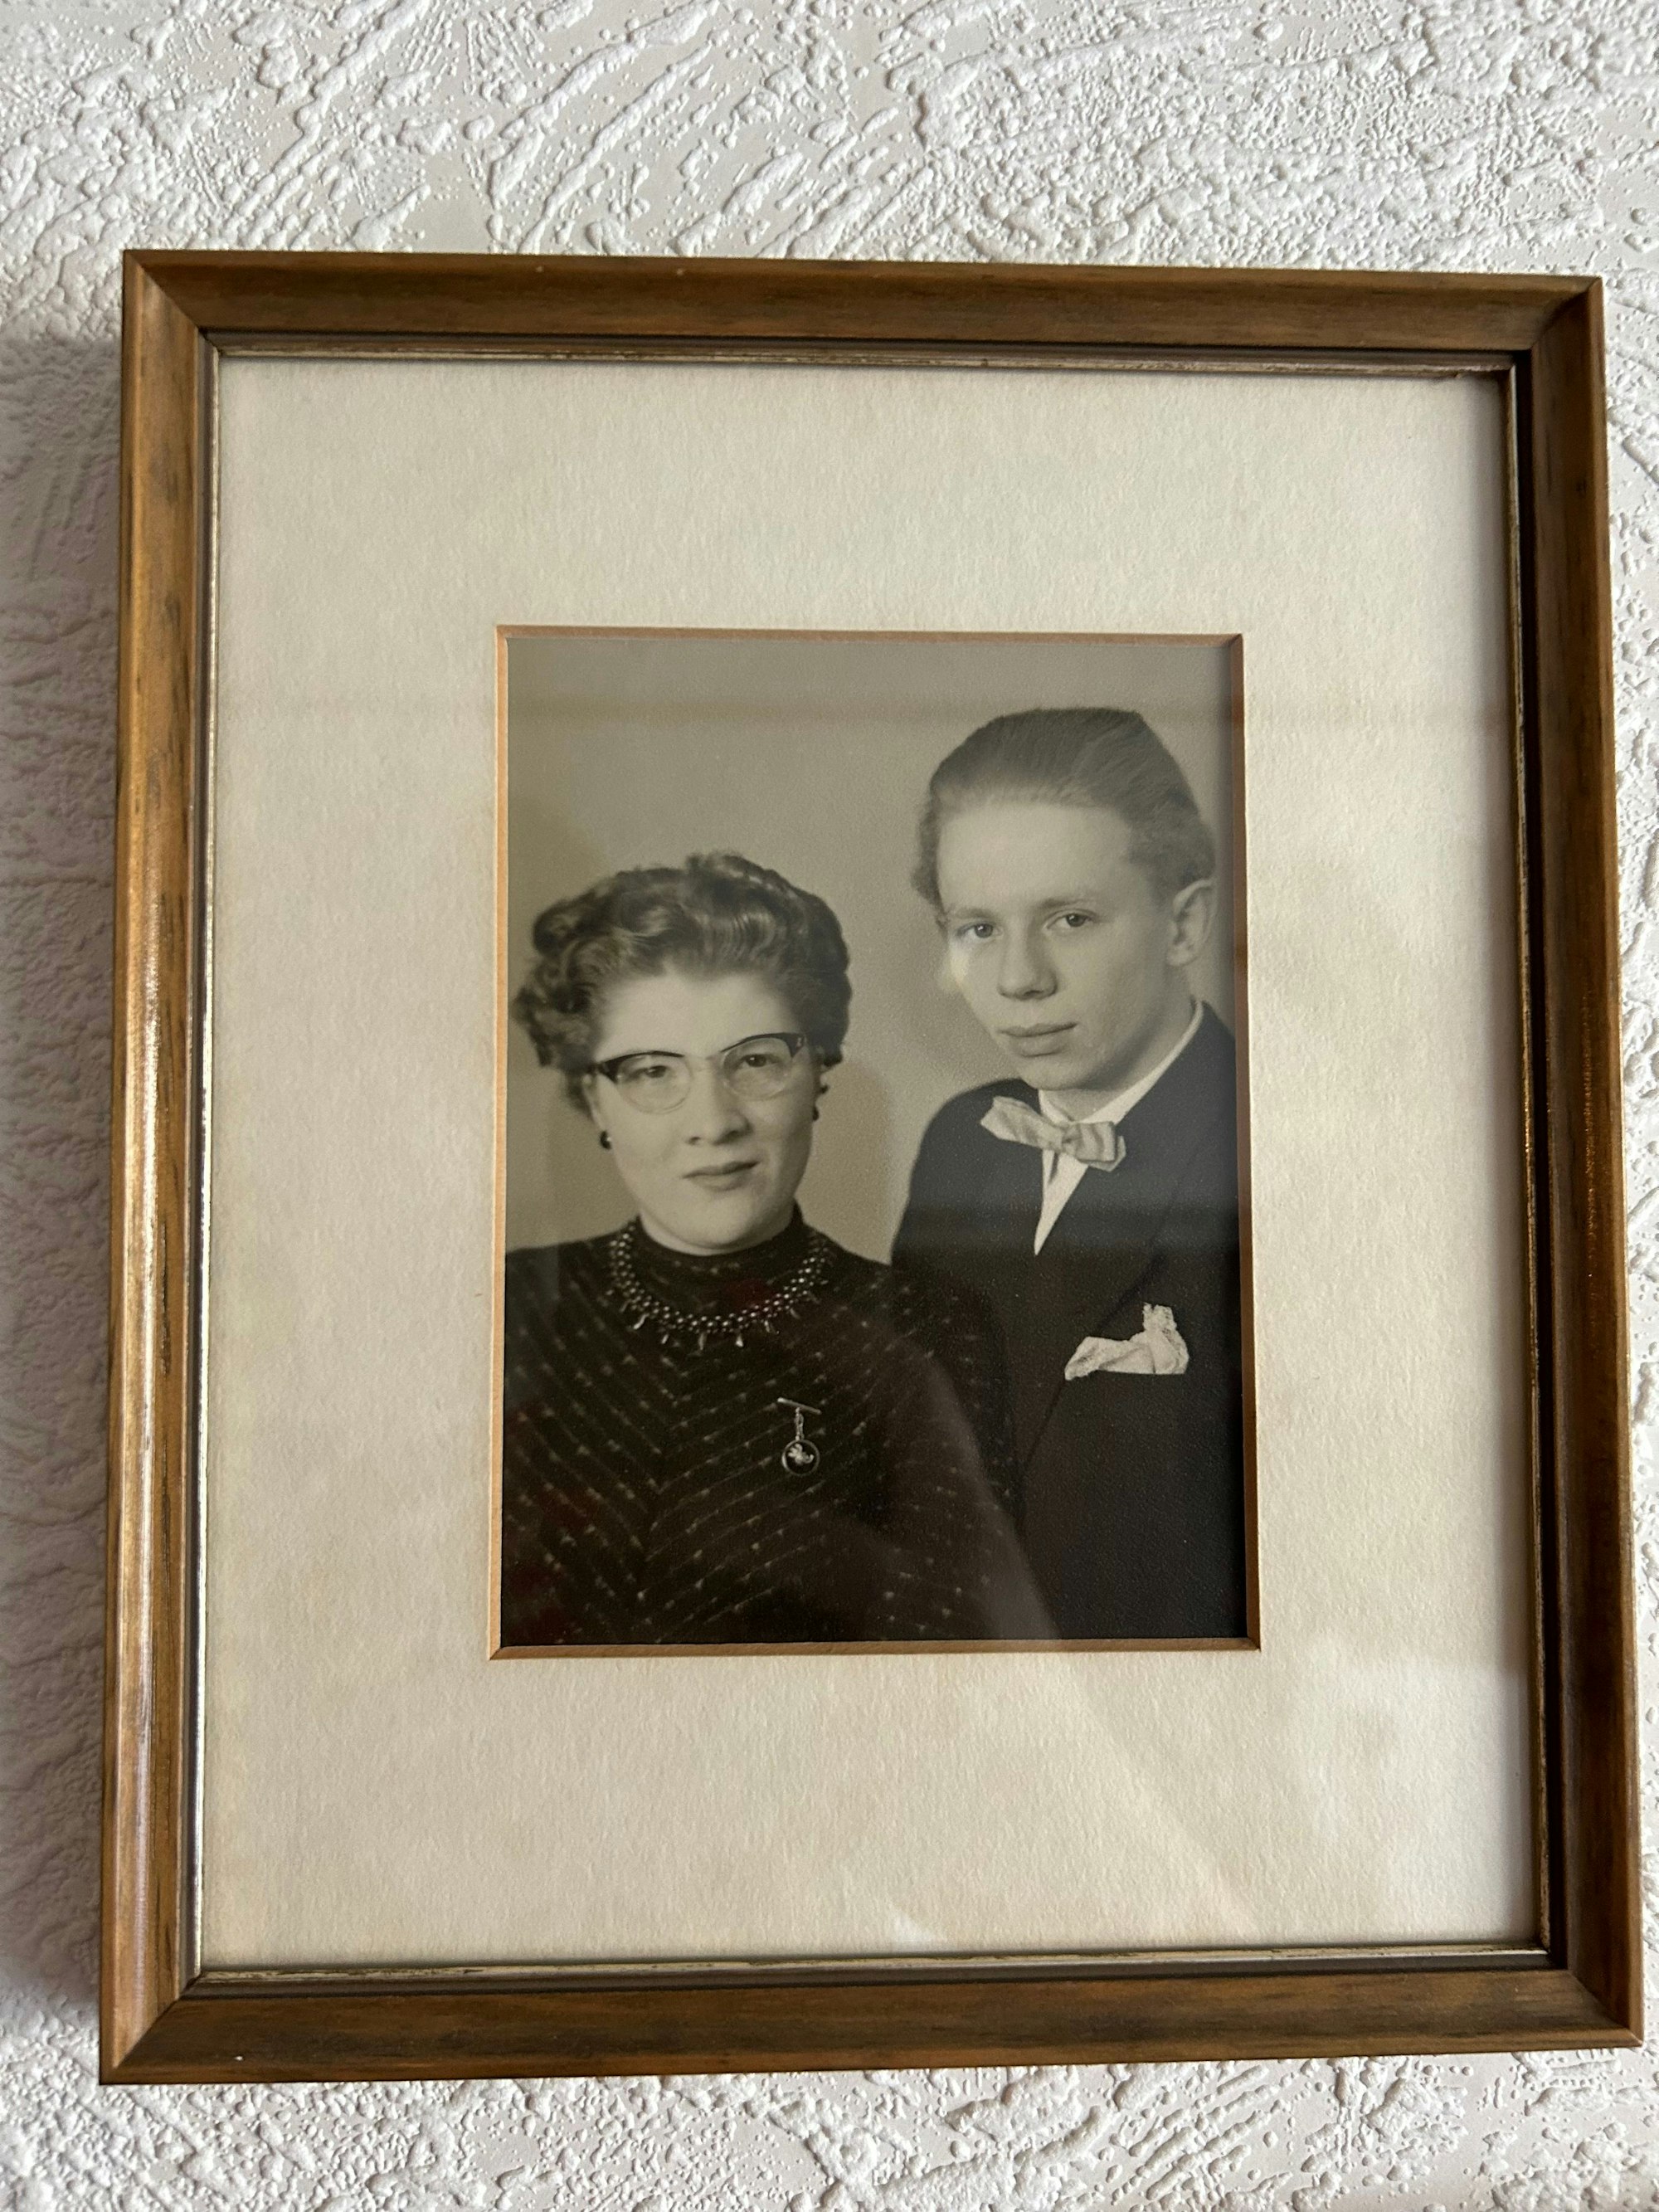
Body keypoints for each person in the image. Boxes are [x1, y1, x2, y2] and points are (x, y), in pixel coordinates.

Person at [501, 850, 1043, 1648]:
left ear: (819, 1070)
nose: (712, 1121)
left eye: (754, 1060)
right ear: (595, 1098)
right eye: (653, 1071)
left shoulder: (930, 1334)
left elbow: (943, 1680)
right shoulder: (508, 1310)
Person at [893, 708, 1248, 1640]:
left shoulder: (1272, 1143)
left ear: (1183, 923)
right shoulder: (961, 1142)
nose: (1017, 978)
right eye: (975, 927)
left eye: (1070, 918)